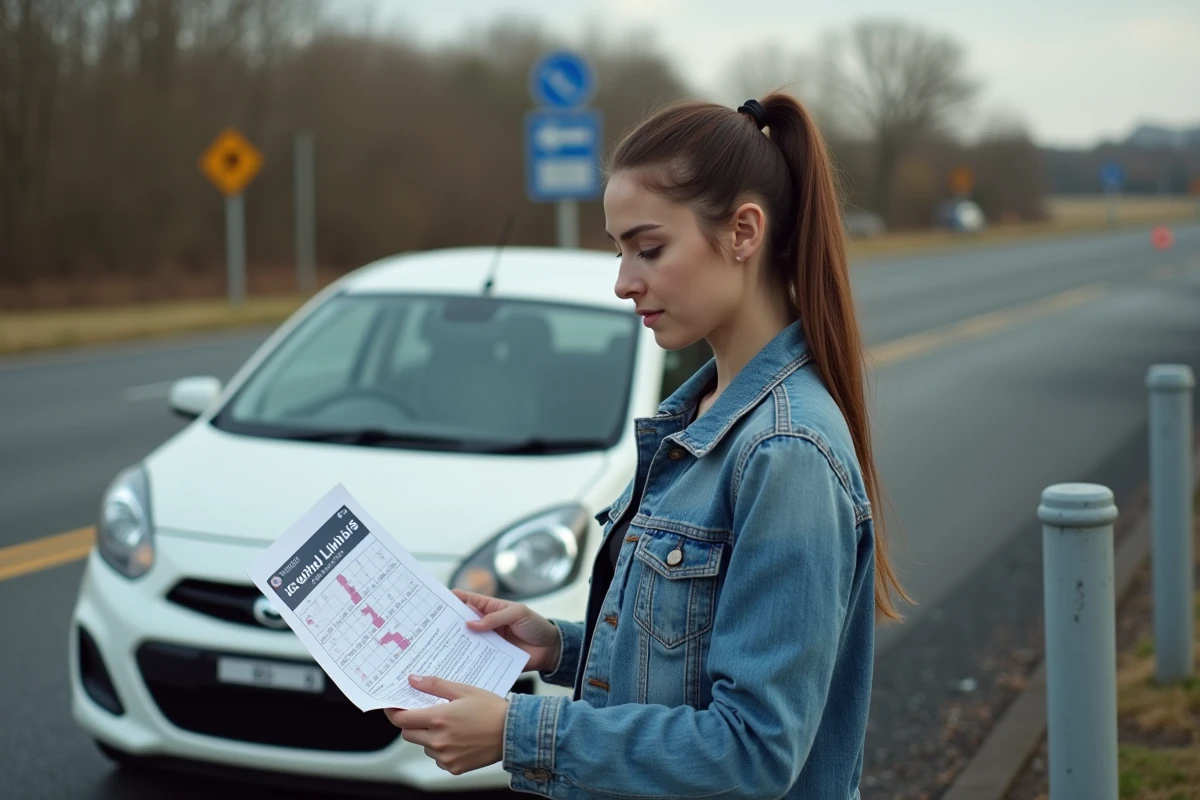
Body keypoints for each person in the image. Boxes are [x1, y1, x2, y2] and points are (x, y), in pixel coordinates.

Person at [385, 93, 908, 799]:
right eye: (619, 250)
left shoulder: (785, 450)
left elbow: (754, 749)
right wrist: (556, 645)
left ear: (744, 232)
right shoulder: (696, 413)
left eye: (649, 248)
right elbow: (690, 658)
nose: (624, 282)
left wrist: (516, 730)